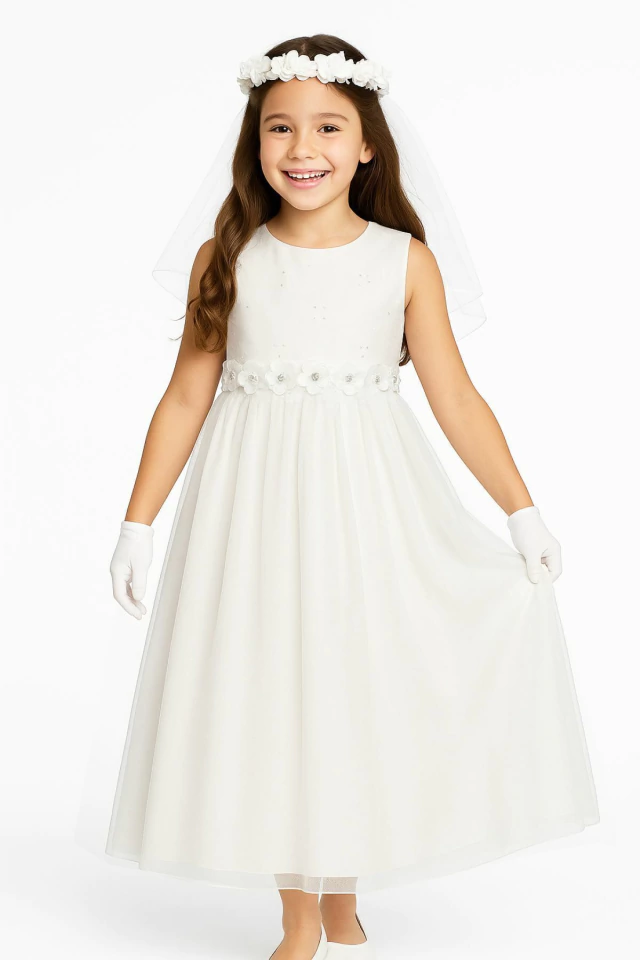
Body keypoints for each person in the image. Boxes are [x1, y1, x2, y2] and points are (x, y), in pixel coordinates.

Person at [106, 34, 600, 960]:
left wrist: (522, 510)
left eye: (329, 127)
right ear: (254, 142)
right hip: (252, 509)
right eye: (280, 128)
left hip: (368, 502)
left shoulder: (403, 260)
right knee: (275, 690)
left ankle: (342, 891)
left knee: (350, 685)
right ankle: (301, 918)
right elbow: (184, 397)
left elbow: (456, 397)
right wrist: (138, 522)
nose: (304, 148)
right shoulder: (228, 254)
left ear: (368, 143)